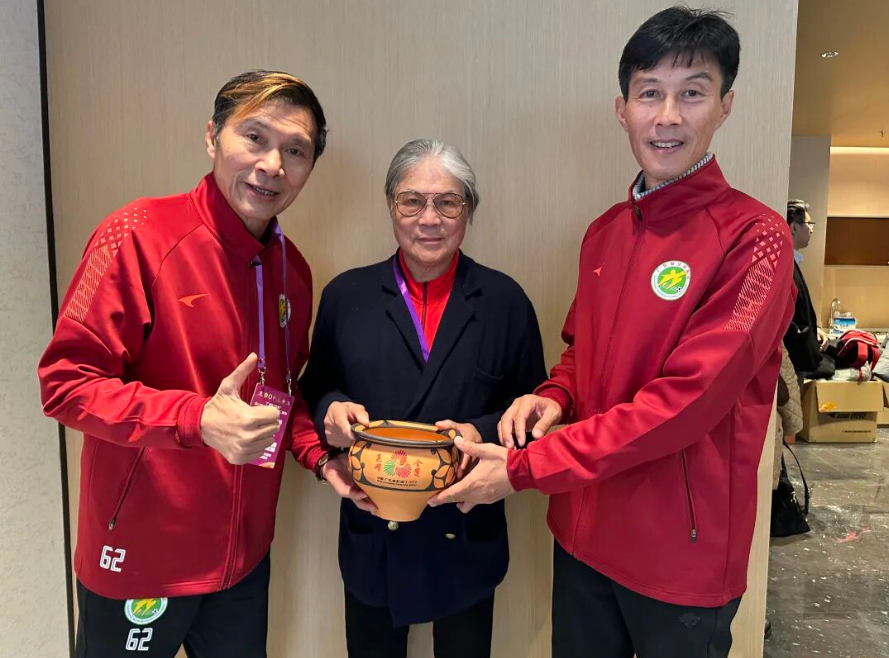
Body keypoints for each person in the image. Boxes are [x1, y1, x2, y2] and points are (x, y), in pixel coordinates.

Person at [430, 8, 795, 658]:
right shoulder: (605, 232)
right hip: (582, 534)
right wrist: (554, 396)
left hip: (679, 559)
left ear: (725, 106)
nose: (667, 116)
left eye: (692, 93)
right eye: (649, 93)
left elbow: (685, 404)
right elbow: (582, 351)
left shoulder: (755, 239)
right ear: (622, 109)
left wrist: (524, 467)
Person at [38, 70, 354, 658]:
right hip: (141, 557)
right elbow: (65, 384)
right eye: (254, 137)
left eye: (295, 150)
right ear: (212, 136)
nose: (272, 165)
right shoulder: (137, 234)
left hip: (243, 561)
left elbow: (280, 394)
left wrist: (321, 454)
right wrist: (197, 418)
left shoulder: (293, 271)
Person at [298, 139, 546, 658]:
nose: (429, 219)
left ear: (468, 210)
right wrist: (331, 410)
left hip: (464, 526)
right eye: (412, 201)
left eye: (447, 202)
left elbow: (532, 408)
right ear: (391, 206)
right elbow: (315, 387)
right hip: (373, 520)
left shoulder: (505, 301)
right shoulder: (346, 296)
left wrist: (480, 429)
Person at [783, 198, 828, 378]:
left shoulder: (792, 261)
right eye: (808, 224)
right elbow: (787, 316)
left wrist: (814, 330)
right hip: (793, 358)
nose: (811, 229)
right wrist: (805, 336)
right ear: (794, 227)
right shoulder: (784, 264)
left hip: (797, 356)